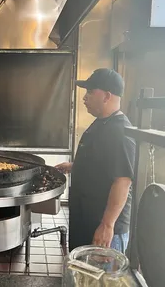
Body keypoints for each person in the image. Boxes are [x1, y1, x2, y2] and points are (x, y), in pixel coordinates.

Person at [56, 68, 135, 254]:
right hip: (86, 221)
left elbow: (122, 181)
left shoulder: (120, 131)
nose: (85, 97)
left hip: (104, 229)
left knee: (100, 281)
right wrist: (75, 166)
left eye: (90, 92)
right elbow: (102, 162)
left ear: (107, 96)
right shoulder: (102, 122)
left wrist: (107, 225)